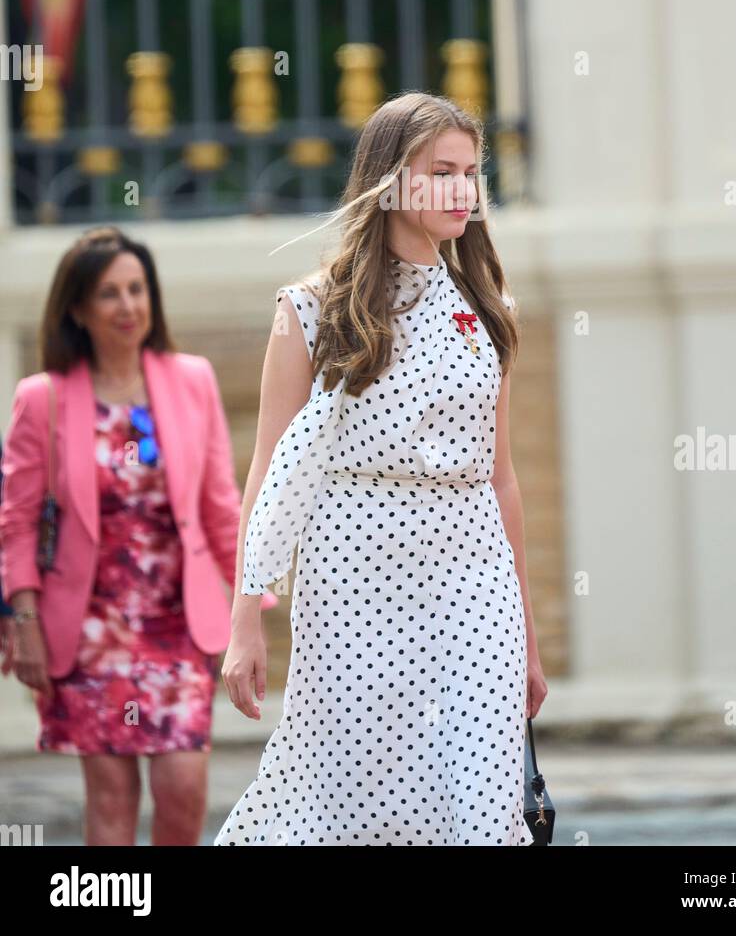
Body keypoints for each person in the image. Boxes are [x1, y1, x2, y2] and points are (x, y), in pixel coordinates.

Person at [215, 91, 547, 846]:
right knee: (356, 796)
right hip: (353, 579)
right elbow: (270, 466)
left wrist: (524, 635)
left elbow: (500, 478)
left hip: (473, 580)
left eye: (472, 173)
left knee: (480, 799)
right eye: (442, 172)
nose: (464, 190)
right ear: (393, 180)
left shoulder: (488, 308)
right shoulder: (310, 310)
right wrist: (246, 619)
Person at [0, 225, 275, 845]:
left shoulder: (191, 381)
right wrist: (24, 620)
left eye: (136, 289)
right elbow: (15, 521)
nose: (128, 306)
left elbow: (219, 506)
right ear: (77, 309)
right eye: (108, 294)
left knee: (183, 787)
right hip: (88, 629)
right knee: (112, 800)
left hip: (176, 624)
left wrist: (247, 606)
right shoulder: (42, 399)